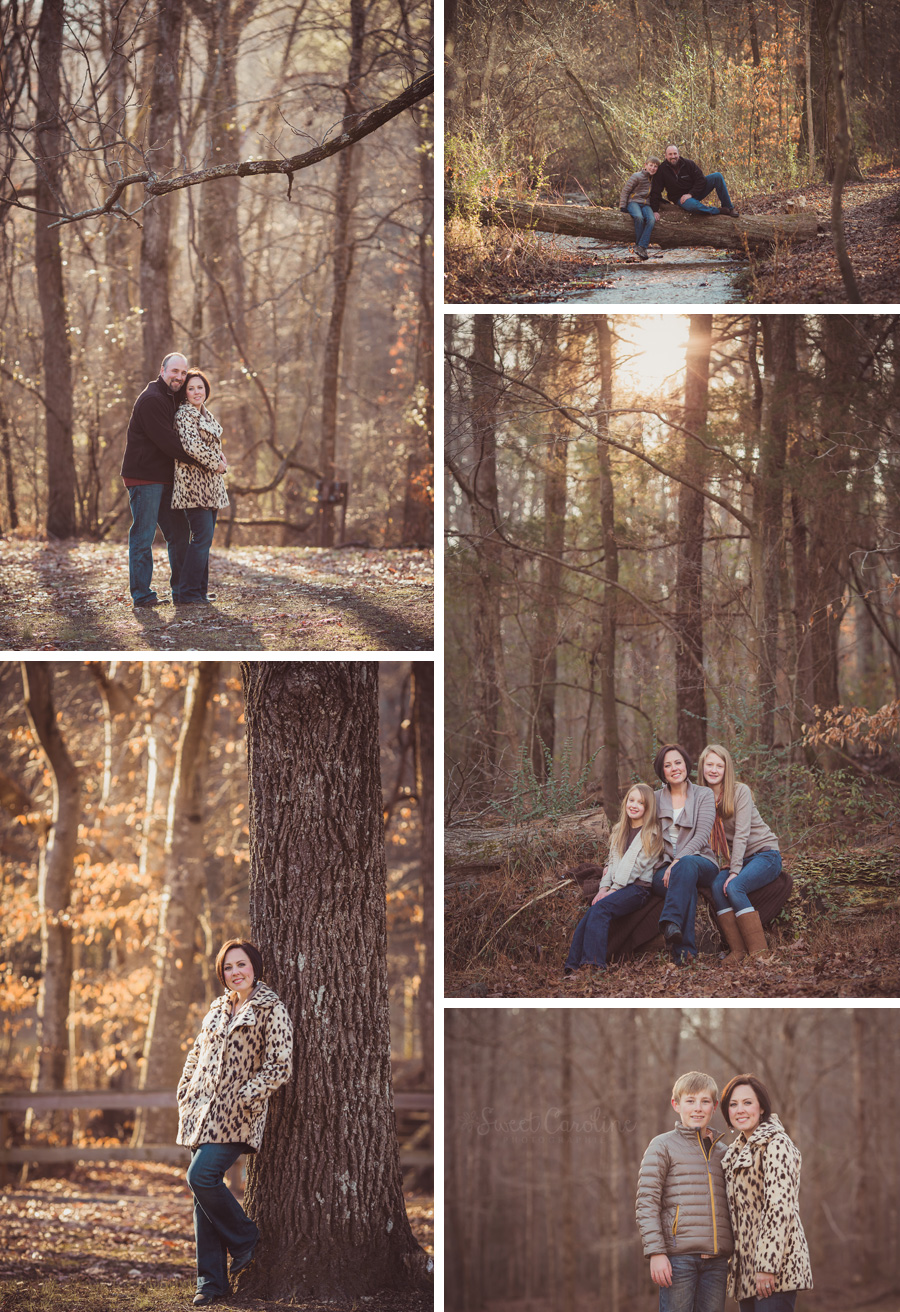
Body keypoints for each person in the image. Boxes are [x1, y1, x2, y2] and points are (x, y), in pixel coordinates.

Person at [177, 938, 293, 1307]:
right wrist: (186, 1088)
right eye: (228, 968)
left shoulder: (270, 1008)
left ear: (254, 967)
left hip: (237, 1116)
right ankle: (211, 1284)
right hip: (202, 1112)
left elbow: (281, 1064)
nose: (235, 972)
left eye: (240, 965)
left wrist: (247, 1095)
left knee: (201, 1178)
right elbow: (197, 1053)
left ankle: (245, 1239)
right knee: (202, 1199)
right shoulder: (217, 1009)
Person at [121, 352, 226, 609]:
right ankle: (142, 595)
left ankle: (183, 591)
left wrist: (214, 451)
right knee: (143, 536)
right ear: (162, 370)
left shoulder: (173, 397)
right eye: (174, 372)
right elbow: (171, 444)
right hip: (144, 477)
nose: (179, 377)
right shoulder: (152, 400)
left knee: (179, 535)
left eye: (183, 372)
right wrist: (209, 461)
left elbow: (198, 413)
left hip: (167, 479)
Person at [636, 1070, 733, 1312]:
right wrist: (656, 1252)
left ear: (714, 1106)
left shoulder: (724, 1152)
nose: (697, 1108)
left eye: (705, 1101)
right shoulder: (663, 1145)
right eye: (690, 1101)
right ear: (676, 1104)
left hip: (717, 1262)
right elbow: (647, 1201)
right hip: (678, 1259)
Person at [721, 1074, 813, 1312]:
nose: (740, 1110)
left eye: (747, 1102)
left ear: (761, 1107)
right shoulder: (734, 1153)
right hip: (747, 1273)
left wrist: (766, 1266)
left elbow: (779, 1207)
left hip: (775, 1270)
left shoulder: (776, 1144)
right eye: (733, 1104)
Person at [563, 782, 664, 976]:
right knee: (591, 912)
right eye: (631, 800)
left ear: (648, 808)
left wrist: (613, 890)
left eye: (640, 803)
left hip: (638, 889)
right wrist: (603, 888)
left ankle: (594, 966)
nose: (634, 805)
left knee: (601, 909)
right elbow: (610, 863)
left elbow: (634, 869)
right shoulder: (619, 830)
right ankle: (572, 965)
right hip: (617, 886)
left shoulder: (652, 834)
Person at [698, 745, 782, 963]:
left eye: (719, 765)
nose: (714, 770)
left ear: (727, 770)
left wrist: (735, 870)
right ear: (702, 767)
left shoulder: (740, 791)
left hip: (765, 855)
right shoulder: (702, 799)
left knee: (735, 887)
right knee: (717, 886)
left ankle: (759, 954)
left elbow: (742, 834)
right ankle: (738, 951)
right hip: (742, 859)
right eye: (710, 765)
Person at [651, 744, 718, 964]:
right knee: (684, 881)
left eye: (678, 762)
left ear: (686, 765)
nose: (674, 768)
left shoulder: (704, 794)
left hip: (701, 862)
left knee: (686, 867)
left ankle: (669, 920)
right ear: (662, 772)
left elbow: (701, 836)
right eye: (667, 765)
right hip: (665, 868)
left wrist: (678, 861)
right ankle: (685, 954)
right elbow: (638, 835)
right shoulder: (654, 798)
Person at [172, 368, 229, 606]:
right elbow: (192, 447)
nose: (197, 392)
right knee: (201, 538)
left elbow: (211, 444)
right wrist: (217, 463)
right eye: (191, 388)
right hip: (193, 486)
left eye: (200, 387)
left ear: (206, 390)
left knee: (205, 539)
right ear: (185, 393)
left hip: (212, 487)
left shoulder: (206, 414)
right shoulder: (185, 413)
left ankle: (200, 591)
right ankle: (187, 592)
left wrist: (221, 460)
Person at [650, 143, 739, 219]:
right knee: (694, 207)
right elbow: (655, 191)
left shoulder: (688, 164)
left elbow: (701, 179)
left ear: (678, 154)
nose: (673, 156)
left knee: (717, 176)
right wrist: (654, 210)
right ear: (665, 156)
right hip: (681, 199)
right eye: (670, 154)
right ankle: (718, 211)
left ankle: (729, 208)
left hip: (695, 192)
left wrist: (691, 194)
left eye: (675, 153)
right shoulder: (661, 170)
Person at [619, 156, 661, 259]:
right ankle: (639, 246)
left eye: (655, 166)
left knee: (651, 219)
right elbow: (625, 191)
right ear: (645, 165)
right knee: (639, 217)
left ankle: (641, 246)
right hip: (633, 202)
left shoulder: (655, 179)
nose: (653, 168)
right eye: (651, 165)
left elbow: (656, 195)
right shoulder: (636, 176)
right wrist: (622, 206)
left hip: (646, 204)